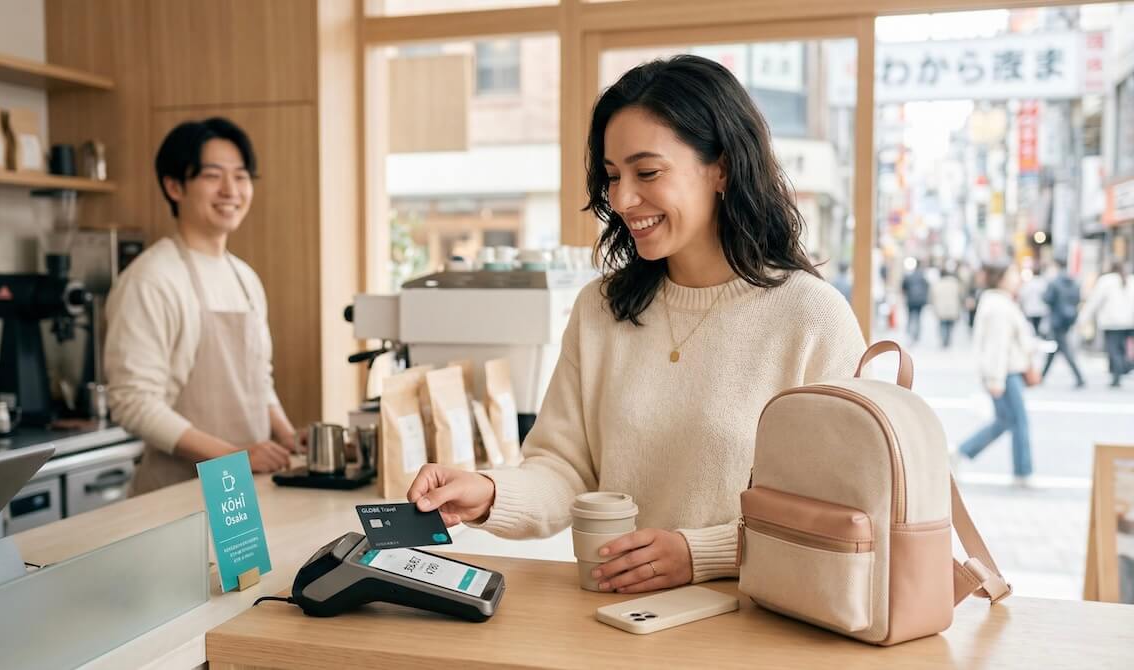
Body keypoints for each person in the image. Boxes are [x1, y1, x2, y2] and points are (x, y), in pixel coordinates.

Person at [405, 55, 865, 594]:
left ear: (721, 167)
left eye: (647, 172)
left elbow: (845, 511)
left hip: (761, 626)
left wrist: (702, 553)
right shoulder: (600, 309)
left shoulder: (811, 316)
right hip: (618, 622)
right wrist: (487, 492)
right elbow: (566, 472)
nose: (622, 200)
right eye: (612, 176)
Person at [107, 118, 298, 495]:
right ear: (174, 186)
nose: (231, 190)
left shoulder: (245, 278)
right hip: (176, 494)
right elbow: (133, 402)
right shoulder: (151, 278)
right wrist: (235, 457)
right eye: (213, 176)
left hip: (244, 489)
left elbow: (260, 380)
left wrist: (289, 436)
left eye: (241, 177)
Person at [956, 263, 1038, 484]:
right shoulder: (999, 306)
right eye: (1013, 274)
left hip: (1006, 372)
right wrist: (995, 379)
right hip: (1006, 373)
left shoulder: (997, 302)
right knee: (1018, 421)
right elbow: (997, 346)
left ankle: (960, 453)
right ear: (1001, 278)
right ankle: (1023, 472)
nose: (1017, 278)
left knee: (1005, 420)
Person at [1079, 261, 1134, 388]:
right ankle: (1118, 375)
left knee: (1113, 350)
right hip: (1128, 322)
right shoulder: (1131, 280)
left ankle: (1120, 372)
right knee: (1121, 349)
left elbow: (1094, 301)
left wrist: (1082, 319)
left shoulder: (1106, 281)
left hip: (1112, 322)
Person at [1040, 259, 1085, 388]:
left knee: (1063, 349)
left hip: (1057, 320)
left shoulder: (1054, 283)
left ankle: (1079, 377)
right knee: (1054, 349)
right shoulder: (1073, 283)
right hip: (1068, 319)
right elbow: (1077, 299)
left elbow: (1047, 298)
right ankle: (1042, 376)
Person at [930, 267, 962, 349]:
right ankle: (947, 339)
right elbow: (959, 295)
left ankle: (944, 340)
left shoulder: (937, 284)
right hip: (952, 307)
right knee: (950, 325)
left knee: (942, 324)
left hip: (941, 308)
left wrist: (933, 306)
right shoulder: (954, 283)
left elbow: (933, 296)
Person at [901, 261, 929, 343]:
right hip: (920, 301)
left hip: (910, 300)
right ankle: (916, 335)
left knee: (910, 317)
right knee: (918, 318)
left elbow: (903, 288)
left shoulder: (908, 276)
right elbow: (927, 287)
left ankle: (909, 333)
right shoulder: (922, 276)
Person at [1019, 266, 1050, 336]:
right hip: (1041, 309)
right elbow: (1047, 296)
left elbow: (1023, 294)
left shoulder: (1029, 283)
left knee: (1031, 328)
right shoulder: (1044, 283)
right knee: (1038, 327)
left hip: (1030, 309)